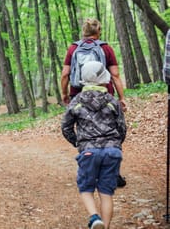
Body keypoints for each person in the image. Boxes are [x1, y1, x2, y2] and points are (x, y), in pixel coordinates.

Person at [60, 18, 127, 187]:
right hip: (104, 93)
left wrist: (64, 94)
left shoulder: (73, 48)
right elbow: (116, 75)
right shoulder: (105, 48)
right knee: (110, 130)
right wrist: (121, 98)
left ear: (84, 31)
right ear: (99, 31)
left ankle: (88, 168)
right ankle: (112, 172)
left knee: (86, 130)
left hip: (79, 93)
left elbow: (65, 74)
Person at [61, 61, 127, 229]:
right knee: (106, 193)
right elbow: (121, 127)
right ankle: (104, 226)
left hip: (89, 151)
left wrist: (78, 142)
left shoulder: (77, 101)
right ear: (104, 79)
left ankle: (94, 217)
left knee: (86, 188)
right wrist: (115, 144)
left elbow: (66, 127)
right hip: (112, 151)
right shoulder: (112, 100)